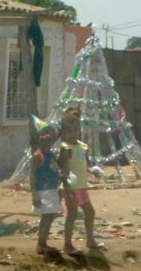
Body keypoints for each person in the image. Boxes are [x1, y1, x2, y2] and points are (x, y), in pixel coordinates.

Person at [59, 109, 105, 256]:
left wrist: (93, 171)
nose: (72, 133)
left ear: (79, 130)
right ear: (63, 133)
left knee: (90, 212)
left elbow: (85, 164)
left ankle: (90, 240)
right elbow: (64, 171)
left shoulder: (82, 146)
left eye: (75, 130)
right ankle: (67, 245)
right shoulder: (65, 148)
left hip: (81, 187)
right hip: (70, 187)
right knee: (72, 214)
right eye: (68, 131)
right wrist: (66, 190)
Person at [29, 116, 63, 255]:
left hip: (52, 190)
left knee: (49, 218)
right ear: (38, 141)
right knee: (46, 218)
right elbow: (32, 175)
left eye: (48, 140)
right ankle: (41, 245)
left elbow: (56, 170)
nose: (46, 143)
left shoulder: (52, 155)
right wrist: (34, 194)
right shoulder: (37, 156)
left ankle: (43, 244)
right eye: (42, 140)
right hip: (43, 192)